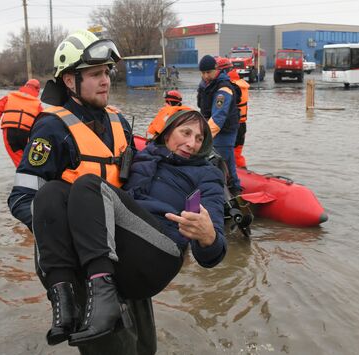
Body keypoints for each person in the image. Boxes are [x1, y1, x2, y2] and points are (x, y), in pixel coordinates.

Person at [7, 30, 156, 353]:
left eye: (106, 73)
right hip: (82, 260)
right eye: (94, 74)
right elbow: (22, 199)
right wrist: (69, 236)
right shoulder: (51, 128)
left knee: (145, 345)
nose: (105, 81)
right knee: (110, 346)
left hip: (122, 252)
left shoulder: (119, 122)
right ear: (70, 82)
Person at [32, 109, 226, 346]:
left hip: (162, 253)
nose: (192, 143)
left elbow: (213, 254)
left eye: (199, 139)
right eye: (186, 133)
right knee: (50, 193)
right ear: (166, 134)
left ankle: (105, 298)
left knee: (89, 186)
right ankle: (64, 301)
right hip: (125, 249)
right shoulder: (141, 157)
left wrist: (209, 237)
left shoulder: (208, 175)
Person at [196, 55, 242, 195]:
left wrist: (203, 136)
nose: (205, 76)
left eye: (208, 72)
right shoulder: (205, 86)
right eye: (203, 73)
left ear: (216, 70)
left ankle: (234, 191)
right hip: (211, 128)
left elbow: (218, 117)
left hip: (225, 131)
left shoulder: (224, 89)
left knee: (226, 162)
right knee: (213, 160)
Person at [0, 79, 43, 167]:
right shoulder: (37, 104)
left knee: (20, 163)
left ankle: (24, 177)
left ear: (25, 86)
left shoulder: (10, 96)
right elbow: (43, 124)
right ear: (38, 91)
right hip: (27, 135)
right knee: (32, 162)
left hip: (10, 133)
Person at [216, 57, 250, 168]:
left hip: (231, 126)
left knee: (227, 153)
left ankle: (234, 175)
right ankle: (243, 171)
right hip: (242, 125)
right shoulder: (242, 85)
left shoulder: (227, 87)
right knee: (237, 152)